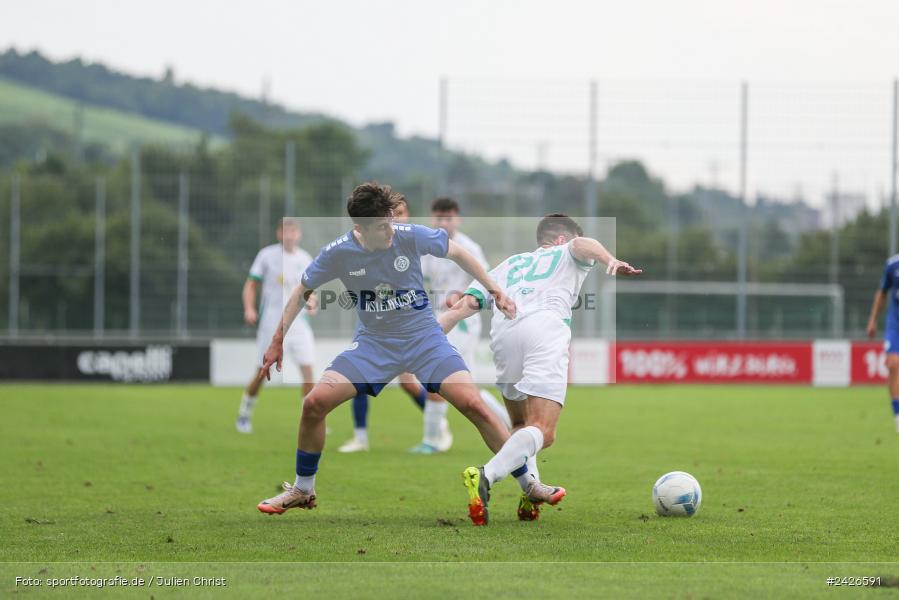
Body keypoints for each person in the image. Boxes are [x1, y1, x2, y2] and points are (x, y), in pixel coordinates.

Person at [255, 182, 516, 515]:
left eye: (391, 221)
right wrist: (277, 340)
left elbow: (460, 253)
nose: (390, 230)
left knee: (475, 405)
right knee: (314, 404)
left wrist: (494, 290)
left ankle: (530, 484)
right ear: (360, 229)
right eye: (381, 226)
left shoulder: (407, 234)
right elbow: (300, 292)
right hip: (374, 345)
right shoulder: (338, 253)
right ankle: (303, 489)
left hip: (424, 338)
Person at [439, 214, 642, 525]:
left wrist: (438, 329)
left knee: (521, 424)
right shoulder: (566, 251)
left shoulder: (511, 264)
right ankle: (486, 475)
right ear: (561, 239)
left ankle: (530, 490)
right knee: (544, 431)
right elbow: (583, 244)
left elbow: (470, 301)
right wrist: (608, 258)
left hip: (504, 335)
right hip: (544, 331)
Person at [412, 197, 511, 454]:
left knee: (437, 374)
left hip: (463, 320)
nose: (443, 222)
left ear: (458, 219)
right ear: (432, 218)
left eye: (448, 217)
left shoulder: (469, 247)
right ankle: (510, 422)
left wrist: (459, 295)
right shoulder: (427, 247)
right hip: (436, 316)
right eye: (439, 217)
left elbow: (486, 281)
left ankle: (432, 440)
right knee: (465, 385)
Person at [338, 195, 432, 453]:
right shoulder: (373, 244)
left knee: (412, 384)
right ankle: (360, 436)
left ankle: (436, 427)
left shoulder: (411, 243)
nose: (396, 220)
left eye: (401, 214)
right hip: (374, 325)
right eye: (394, 214)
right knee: (356, 376)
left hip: (409, 326)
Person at [236, 218, 317, 434]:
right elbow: (250, 284)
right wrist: (249, 308)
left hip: (299, 324)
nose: (289, 234)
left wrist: (313, 302)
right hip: (271, 323)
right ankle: (245, 412)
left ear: (298, 234)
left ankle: (310, 419)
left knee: (309, 371)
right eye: (285, 230)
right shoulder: (267, 255)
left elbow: (311, 291)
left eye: (293, 230)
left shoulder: (305, 258)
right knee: (262, 371)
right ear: (278, 234)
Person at [866, 253, 899, 432]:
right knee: (893, 364)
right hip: (896, 324)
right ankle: (898, 415)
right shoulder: (892, 265)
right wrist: (873, 320)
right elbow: (882, 293)